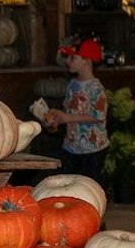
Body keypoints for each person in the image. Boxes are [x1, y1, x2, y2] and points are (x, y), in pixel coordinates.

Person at [44, 38, 110, 184]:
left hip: (92, 149)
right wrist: (57, 118)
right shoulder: (72, 84)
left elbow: (99, 115)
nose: (68, 61)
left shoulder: (96, 88)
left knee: (90, 187)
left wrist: (67, 118)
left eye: (73, 58)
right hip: (71, 146)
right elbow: (69, 110)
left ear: (87, 61)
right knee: (69, 184)